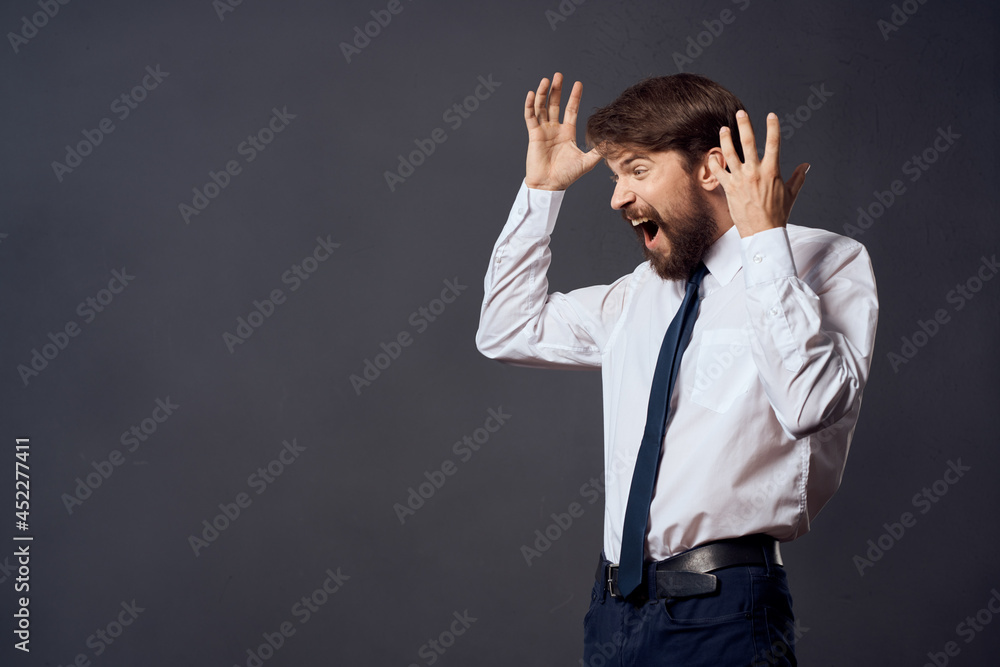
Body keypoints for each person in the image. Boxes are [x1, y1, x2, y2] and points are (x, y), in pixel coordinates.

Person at [475, 71, 878, 666]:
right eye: (616, 177)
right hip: (612, 614)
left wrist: (764, 240)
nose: (617, 197)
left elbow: (809, 402)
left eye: (637, 170)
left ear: (711, 167)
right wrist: (541, 192)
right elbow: (505, 329)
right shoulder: (638, 295)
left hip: (723, 611)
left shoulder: (825, 262)